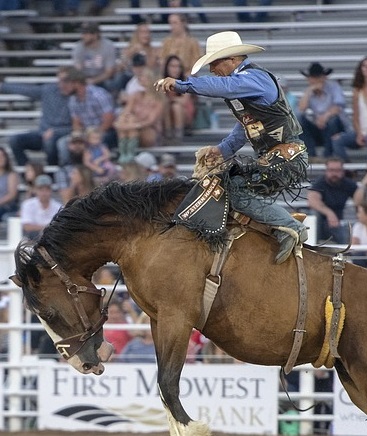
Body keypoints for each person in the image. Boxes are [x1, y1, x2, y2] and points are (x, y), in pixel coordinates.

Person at [155, 31, 308, 264]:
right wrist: (222, 150)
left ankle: (288, 226)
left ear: (232, 59)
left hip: (286, 156)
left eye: (214, 63)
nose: (213, 70)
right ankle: (274, 227)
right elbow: (243, 128)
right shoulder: (246, 85)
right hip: (278, 158)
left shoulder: (254, 78)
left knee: (234, 189)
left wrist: (183, 85)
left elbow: (224, 86)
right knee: (228, 187)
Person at [0, 66, 73, 166]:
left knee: (50, 142)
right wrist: (3, 86)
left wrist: (56, 131)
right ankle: (28, 173)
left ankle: (51, 175)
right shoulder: (49, 90)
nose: (62, 84)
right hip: (42, 133)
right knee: (15, 140)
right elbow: (26, 90)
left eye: (65, 80)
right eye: (60, 80)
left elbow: (78, 126)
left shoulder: (78, 98)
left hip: (64, 135)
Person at [298, 62, 350, 161]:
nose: (316, 80)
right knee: (299, 121)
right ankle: (311, 155)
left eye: (318, 77)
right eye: (313, 78)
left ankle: (327, 156)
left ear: (324, 78)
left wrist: (325, 117)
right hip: (320, 127)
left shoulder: (334, 87)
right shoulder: (309, 92)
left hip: (336, 127)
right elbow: (301, 109)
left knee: (332, 120)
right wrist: (309, 91)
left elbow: (338, 107)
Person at [58, 67, 117, 154]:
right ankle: (70, 166)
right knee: (63, 143)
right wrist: (77, 137)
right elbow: (76, 122)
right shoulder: (73, 100)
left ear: (76, 83)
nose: (62, 87)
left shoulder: (98, 95)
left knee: (95, 141)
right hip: (86, 132)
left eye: (66, 83)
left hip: (105, 131)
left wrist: (95, 134)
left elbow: (109, 119)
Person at [307, 157, 362, 244]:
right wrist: (329, 213)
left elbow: (359, 199)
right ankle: (313, 245)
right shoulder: (320, 183)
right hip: (321, 220)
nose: (334, 173)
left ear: (343, 171)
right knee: (314, 215)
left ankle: (347, 253)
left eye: (338, 170)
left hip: (339, 220)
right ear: (326, 170)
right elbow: (312, 200)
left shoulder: (347, 183)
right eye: (331, 170)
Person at [114, 68, 164, 163]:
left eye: (143, 77)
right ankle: (125, 154)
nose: (140, 79)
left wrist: (131, 125)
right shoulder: (135, 95)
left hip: (149, 130)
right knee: (128, 120)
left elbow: (150, 121)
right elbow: (126, 112)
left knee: (130, 125)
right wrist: (124, 122)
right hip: (132, 128)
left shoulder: (158, 100)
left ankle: (128, 154)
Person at [331, 57, 367, 162]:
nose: (366, 69)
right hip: (361, 132)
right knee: (337, 140)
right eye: (364, 66)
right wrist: (359, 133)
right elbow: (356, 117)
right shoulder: (357, 90)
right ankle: (347, 170)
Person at [72, 22, 117, 92]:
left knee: (110, 83)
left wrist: (94, 81)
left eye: (86, 34)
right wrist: (84, 81)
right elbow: (78, 69)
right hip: (85, 78)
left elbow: (109, 72)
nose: (82, 36)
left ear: (95, 35)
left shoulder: (108, 46)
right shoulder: (79, 47)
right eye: (82, 34)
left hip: (102, 78)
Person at [162, 55, 196, 144]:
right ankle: (168, 135)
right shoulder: (162, 82)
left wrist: (171, 100)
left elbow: (184, 101)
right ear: (167, 68)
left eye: (178, 66)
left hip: (184, 113)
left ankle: (177, 138)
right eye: (173, 66)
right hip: (167, 114)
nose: (176, 69)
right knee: (166, 106)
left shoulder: (186, 82)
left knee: (176, 106)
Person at [20, 174, 62, 240]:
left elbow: (60, 227)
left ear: (51, 190)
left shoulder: (58, 206)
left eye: (47, 189)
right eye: (41, 189)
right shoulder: (28, 204)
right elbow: (26, 226)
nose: (44, 193)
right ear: (35, 190)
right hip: (32, 239)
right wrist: (46, 227)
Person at [0, 147, 19, 221]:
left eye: (2, 156)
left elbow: (12, 195)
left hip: (7, 207)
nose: (1, 158)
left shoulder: (11, 175)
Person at [351, 202, 367, 267]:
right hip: (362, 258)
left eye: (360, 212)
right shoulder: (357, 226)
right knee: (357, 257)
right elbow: (354, 246)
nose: (358, 215)